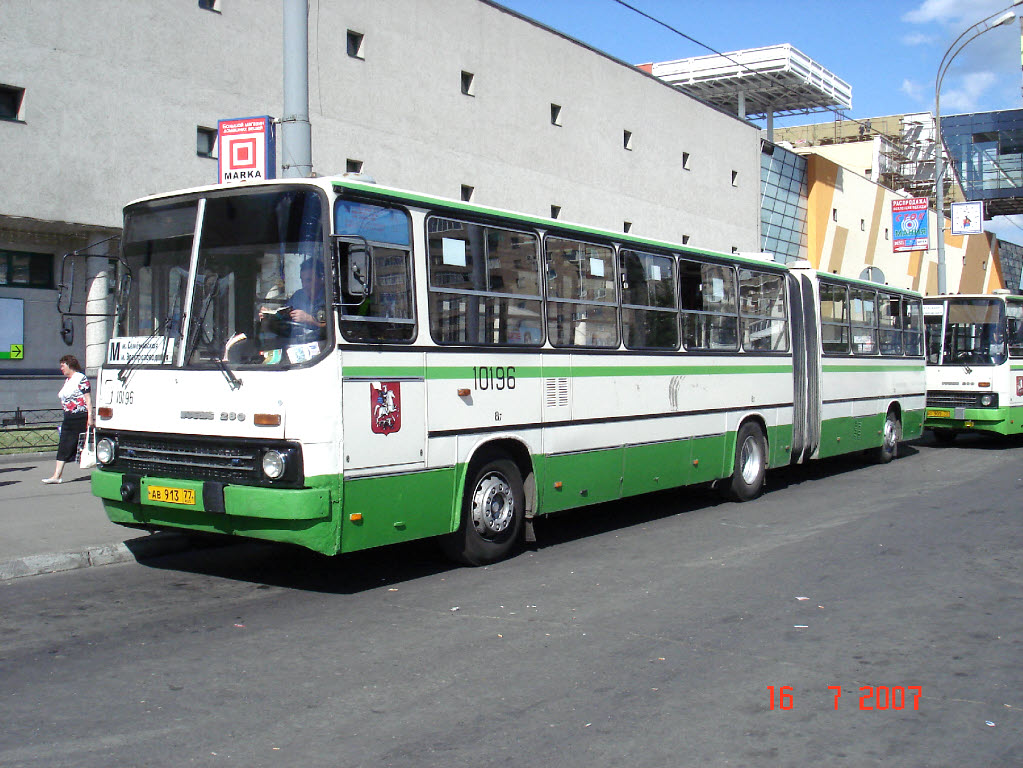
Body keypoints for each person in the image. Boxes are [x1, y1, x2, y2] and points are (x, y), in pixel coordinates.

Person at [44, 354, 92, 484]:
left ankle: (57, 475)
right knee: (65, 444)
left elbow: (88, 399)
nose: (61, 369)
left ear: (70, 365)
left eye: (62, 366)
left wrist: (90, 417)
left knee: (84, 445)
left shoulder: (81, 378)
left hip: (80, 417)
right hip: (69, 417)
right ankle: (56, 475)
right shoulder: (68, 380)